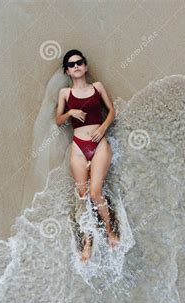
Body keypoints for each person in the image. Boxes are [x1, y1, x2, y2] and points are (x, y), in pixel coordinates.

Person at [56, 49, 119, 262]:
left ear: (85, 66)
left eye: (79, 62)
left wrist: (103, 128)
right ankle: (88, 242)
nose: (76, 66)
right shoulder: (65, 93)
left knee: (94, 193)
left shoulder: (97, 87)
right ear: (67, 70)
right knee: (82, 195)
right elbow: (58, 120)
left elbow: (111, 111)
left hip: (98, 144)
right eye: (72, 64)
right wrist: (70, 113)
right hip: (78, 147)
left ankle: (110, 232)